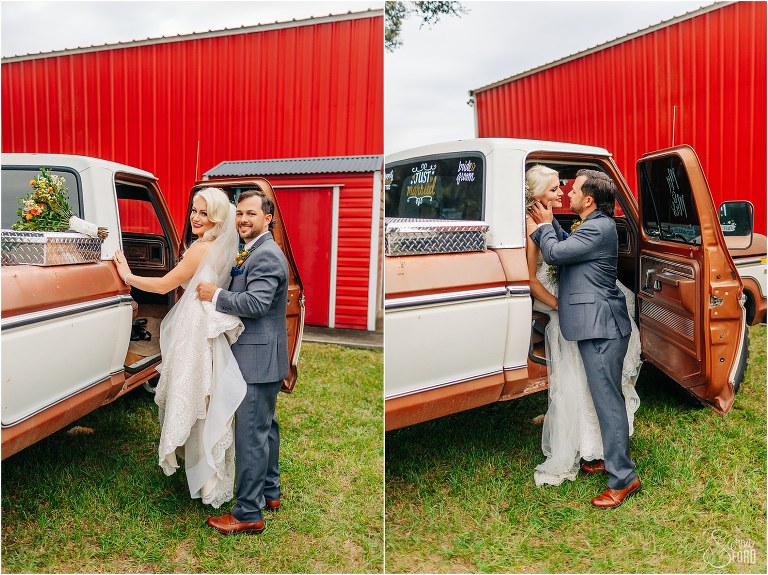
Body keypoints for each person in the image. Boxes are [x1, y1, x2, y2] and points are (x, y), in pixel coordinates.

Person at [113, 187, 246, 509]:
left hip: (194, 324)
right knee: (201, 393)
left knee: (193, 391)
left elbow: (163, 285)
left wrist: (127, 274)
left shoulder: (202, 248)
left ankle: (203, 473)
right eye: (195, 211)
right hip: (200, 320)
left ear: (217, 218)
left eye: (204, 213)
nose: (196, 218)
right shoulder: (220, 246)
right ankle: (202, 468)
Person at [527, 166, 642, 508]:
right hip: (597, 325)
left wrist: (544, 227)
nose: (568, 193)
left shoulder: (600, 228)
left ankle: (624, 479)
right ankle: (612, 459)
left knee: (608, 401)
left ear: (589, 200)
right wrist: (553, 227)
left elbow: (556, 254)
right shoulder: (592, 226)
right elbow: (568, 246)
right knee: (605, 399)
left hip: (602, 328)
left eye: (574, 190)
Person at [197, 189, 289, 535]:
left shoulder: (265, 256)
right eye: (240, 214)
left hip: (257, 358)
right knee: (265, 428)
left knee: (250, 434)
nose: (243, 219)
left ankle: (248, 512)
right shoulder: (253, 250)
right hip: (264, 356)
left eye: (251, 214)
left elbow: (257, 303)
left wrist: (215, 295)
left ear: (267, 218)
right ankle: (270, 491)